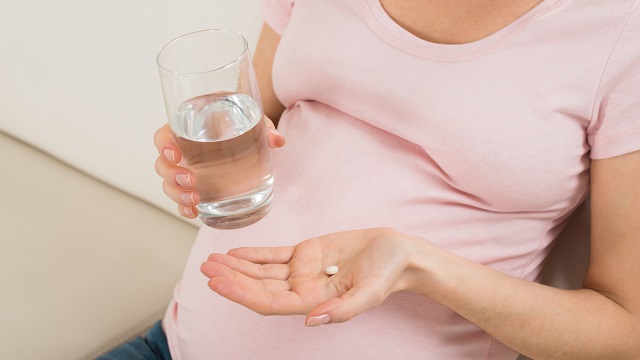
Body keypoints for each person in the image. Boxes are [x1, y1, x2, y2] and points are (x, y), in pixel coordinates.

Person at [148, 0, 640, 359]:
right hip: (171, 346)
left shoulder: (621, 34)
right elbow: (250, 122)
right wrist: (195, 164)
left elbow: (626, 330)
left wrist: (416, 266)